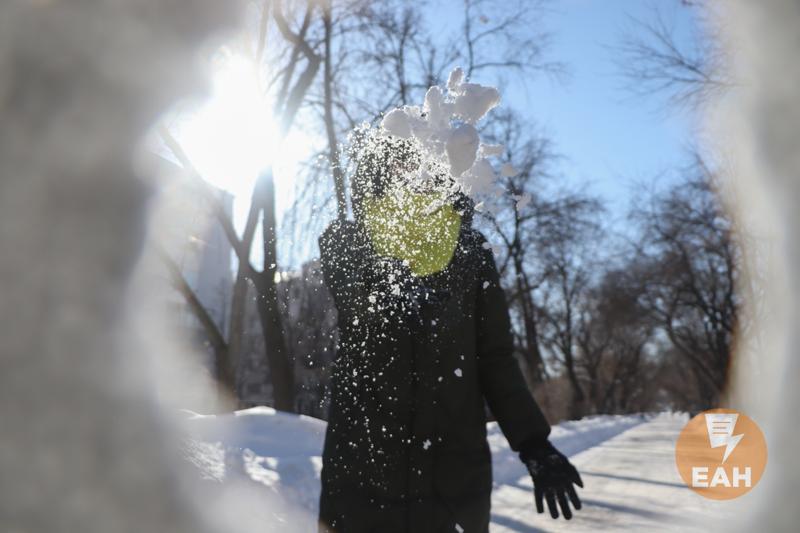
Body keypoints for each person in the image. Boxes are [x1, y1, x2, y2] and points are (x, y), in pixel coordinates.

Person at [318, 137, 582, 532]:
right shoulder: (350, 243)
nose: (411, 177)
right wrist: (387, 289)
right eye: (398, 167)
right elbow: (356, 306)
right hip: (362, 482)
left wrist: (533, 442)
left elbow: (494, 358)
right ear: (377, 176)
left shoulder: (470, 253)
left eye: (423, 167)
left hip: (453, 485)